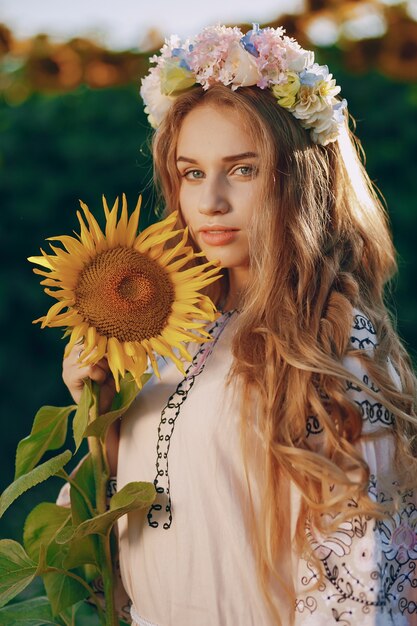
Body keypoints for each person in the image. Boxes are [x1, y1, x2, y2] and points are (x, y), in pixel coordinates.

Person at [62, 24, 417, 626]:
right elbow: (110, 534)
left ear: (299, 178)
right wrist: (98, 415)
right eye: (192, 172)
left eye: (243, 170)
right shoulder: (164, 330)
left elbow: (358, 579)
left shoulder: (335, 343)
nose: (210, 202)